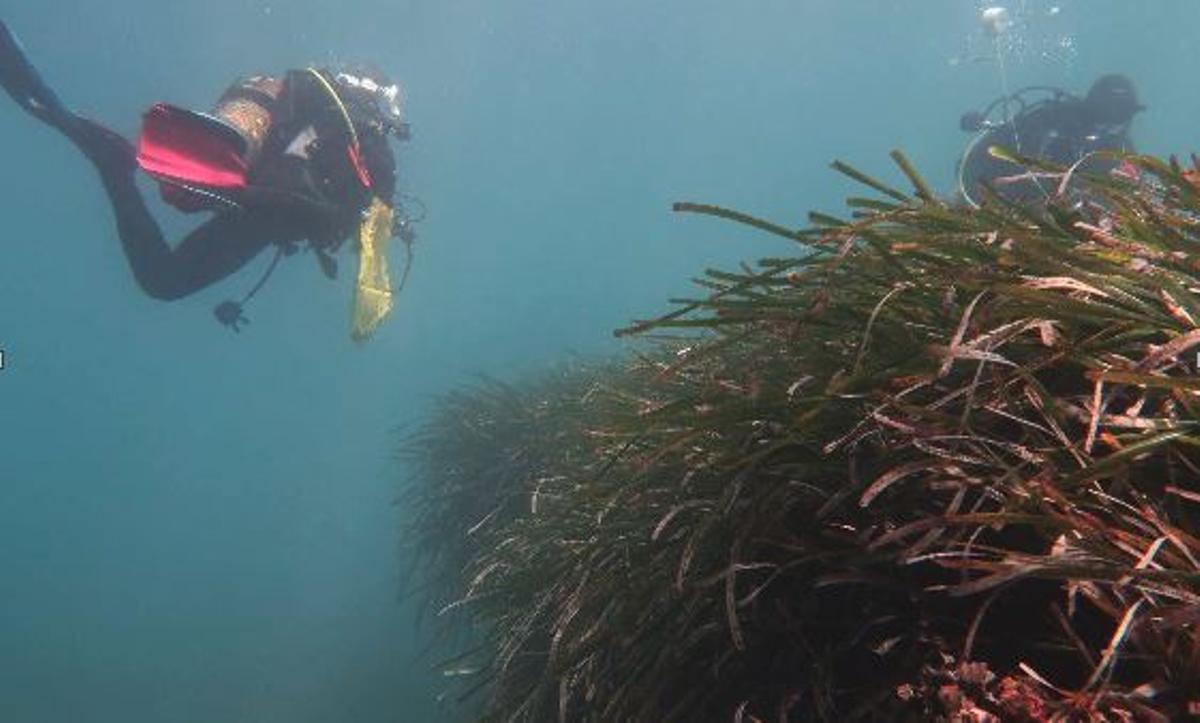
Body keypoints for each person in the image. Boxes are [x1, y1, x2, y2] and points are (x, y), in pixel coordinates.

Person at [0, 20, 411, 338]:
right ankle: (116, 170)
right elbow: (367, 234)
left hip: (252, 188)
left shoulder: (314, 104)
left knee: (165, 272)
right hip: (266, 213)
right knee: (163, 279)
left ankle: (124, 164)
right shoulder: (375, 145)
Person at [956, 74, 1144, 207]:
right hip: (998, 200)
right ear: (1090, 104)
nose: (1112, 121)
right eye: (1106, 110)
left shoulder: (1123, 154)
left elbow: (1125, 200)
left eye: (1122, 112)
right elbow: (982, 158)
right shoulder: (1051, 120)